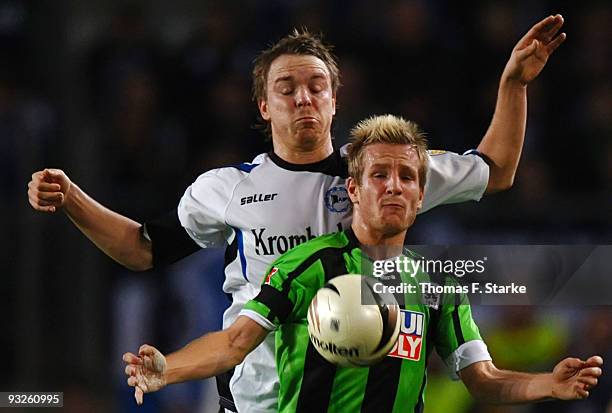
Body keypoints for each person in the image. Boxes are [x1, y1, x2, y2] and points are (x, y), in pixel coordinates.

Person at [28, 15, 567, 413]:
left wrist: (513, 82)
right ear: (264, 106)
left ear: (335, 99)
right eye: (286, 89)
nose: (303, 99)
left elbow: (495, 170)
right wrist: (74, 198)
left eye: (316, 87)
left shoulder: (387, 170)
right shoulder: (228, 188)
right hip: (262, 394)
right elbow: (144, 249)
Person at [122, 114, 603, 412]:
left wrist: (547, 385)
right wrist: (169, 369)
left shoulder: (437, 282)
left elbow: (483, 379)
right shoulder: (305, 266)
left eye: (407, 177)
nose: (393, 185)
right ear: (353, 189)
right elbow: (233, 344)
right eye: (379, 174)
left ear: (421, 193)